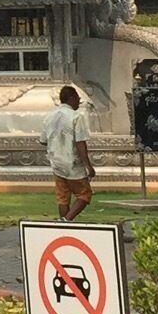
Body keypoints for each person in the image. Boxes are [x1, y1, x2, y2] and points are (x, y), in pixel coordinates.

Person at [43, 84, 93, 220]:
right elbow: (80, 142)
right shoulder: (76, 116)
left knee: (63, 197)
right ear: (71, 98)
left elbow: (43, 140)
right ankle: (66, 220)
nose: (79, 101)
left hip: (56, 162)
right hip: (72, 162)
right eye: (77, 98)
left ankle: (64, 227)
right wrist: (88, 165)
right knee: (84, 194)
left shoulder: (49, 117)